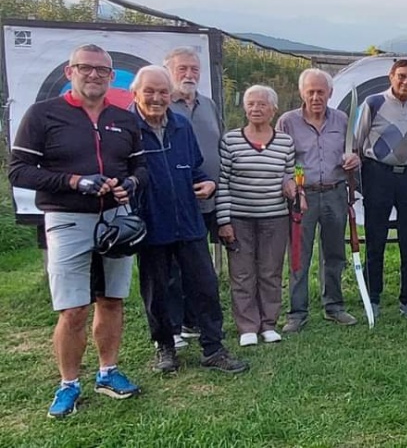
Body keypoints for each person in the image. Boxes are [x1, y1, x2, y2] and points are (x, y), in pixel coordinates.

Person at [9, 44, 146, 417]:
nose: (94, 76)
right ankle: (68, 383)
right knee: (73, 309)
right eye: (86, 68)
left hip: (117, 218)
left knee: (113, 300)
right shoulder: (43, 115)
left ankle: (108, 372)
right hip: (68, 219)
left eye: (103, 70)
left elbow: (141, 169)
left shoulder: (124, 118)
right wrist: (73, 181)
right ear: (70, 72)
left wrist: (130, 185)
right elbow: (19, 170)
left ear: (111, 76)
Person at [129, 66, 248, 374]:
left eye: (163, 92)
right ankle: (165, 347)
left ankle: (213, 347)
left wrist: (208, 183)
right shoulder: (126, 129)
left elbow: (196, 169)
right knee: (156, 289)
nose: (157, 98)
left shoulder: (181, 126)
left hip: (189, 220)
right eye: (149, 91)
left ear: (171, 95)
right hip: (151, 221)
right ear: (135, 93)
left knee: (205, 285)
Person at [277, 68, 361, 332]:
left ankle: (334, 306)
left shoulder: (342, 120)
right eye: (310, 91)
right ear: (302, 93)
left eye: (320, 92)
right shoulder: (287, 122)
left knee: (334, 253)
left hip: (335, 192)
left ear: (330, 94)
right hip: (303, 196)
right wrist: (291, 186)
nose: (315, 97)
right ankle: (297, 312)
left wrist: (354, 160)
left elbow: (354, 151)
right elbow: (281, 160)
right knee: (299, 255)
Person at [217, 85, 295, 346]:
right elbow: (223, 181)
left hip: (275, 217)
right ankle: (247, 326)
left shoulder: (285, 141)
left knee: (271, 271)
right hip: (239, 218)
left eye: (262, 104)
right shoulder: (231, 140)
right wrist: (224, 220)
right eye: (251, 104)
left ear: (274, 109)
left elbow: (289, 173)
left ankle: (269, 323)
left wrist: (291, 184)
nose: (256, 109)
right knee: (241, 273)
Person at [356, 59, 407, 319]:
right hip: (379, 175)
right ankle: (373, 297)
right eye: (402, 76)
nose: (406, 82)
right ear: (391, 76)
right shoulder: (373, 103)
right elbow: (359, 142)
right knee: (376, 239)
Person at [165, 47, 222, 346]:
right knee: (171, 269)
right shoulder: (160, 103)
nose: (189, 75)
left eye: (194, 69)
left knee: (197, 266)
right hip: (174, 203)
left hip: (207, 197)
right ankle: (172, 329)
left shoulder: (208, 104)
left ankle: (191, 321)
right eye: (182, 69)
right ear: (168, 71)